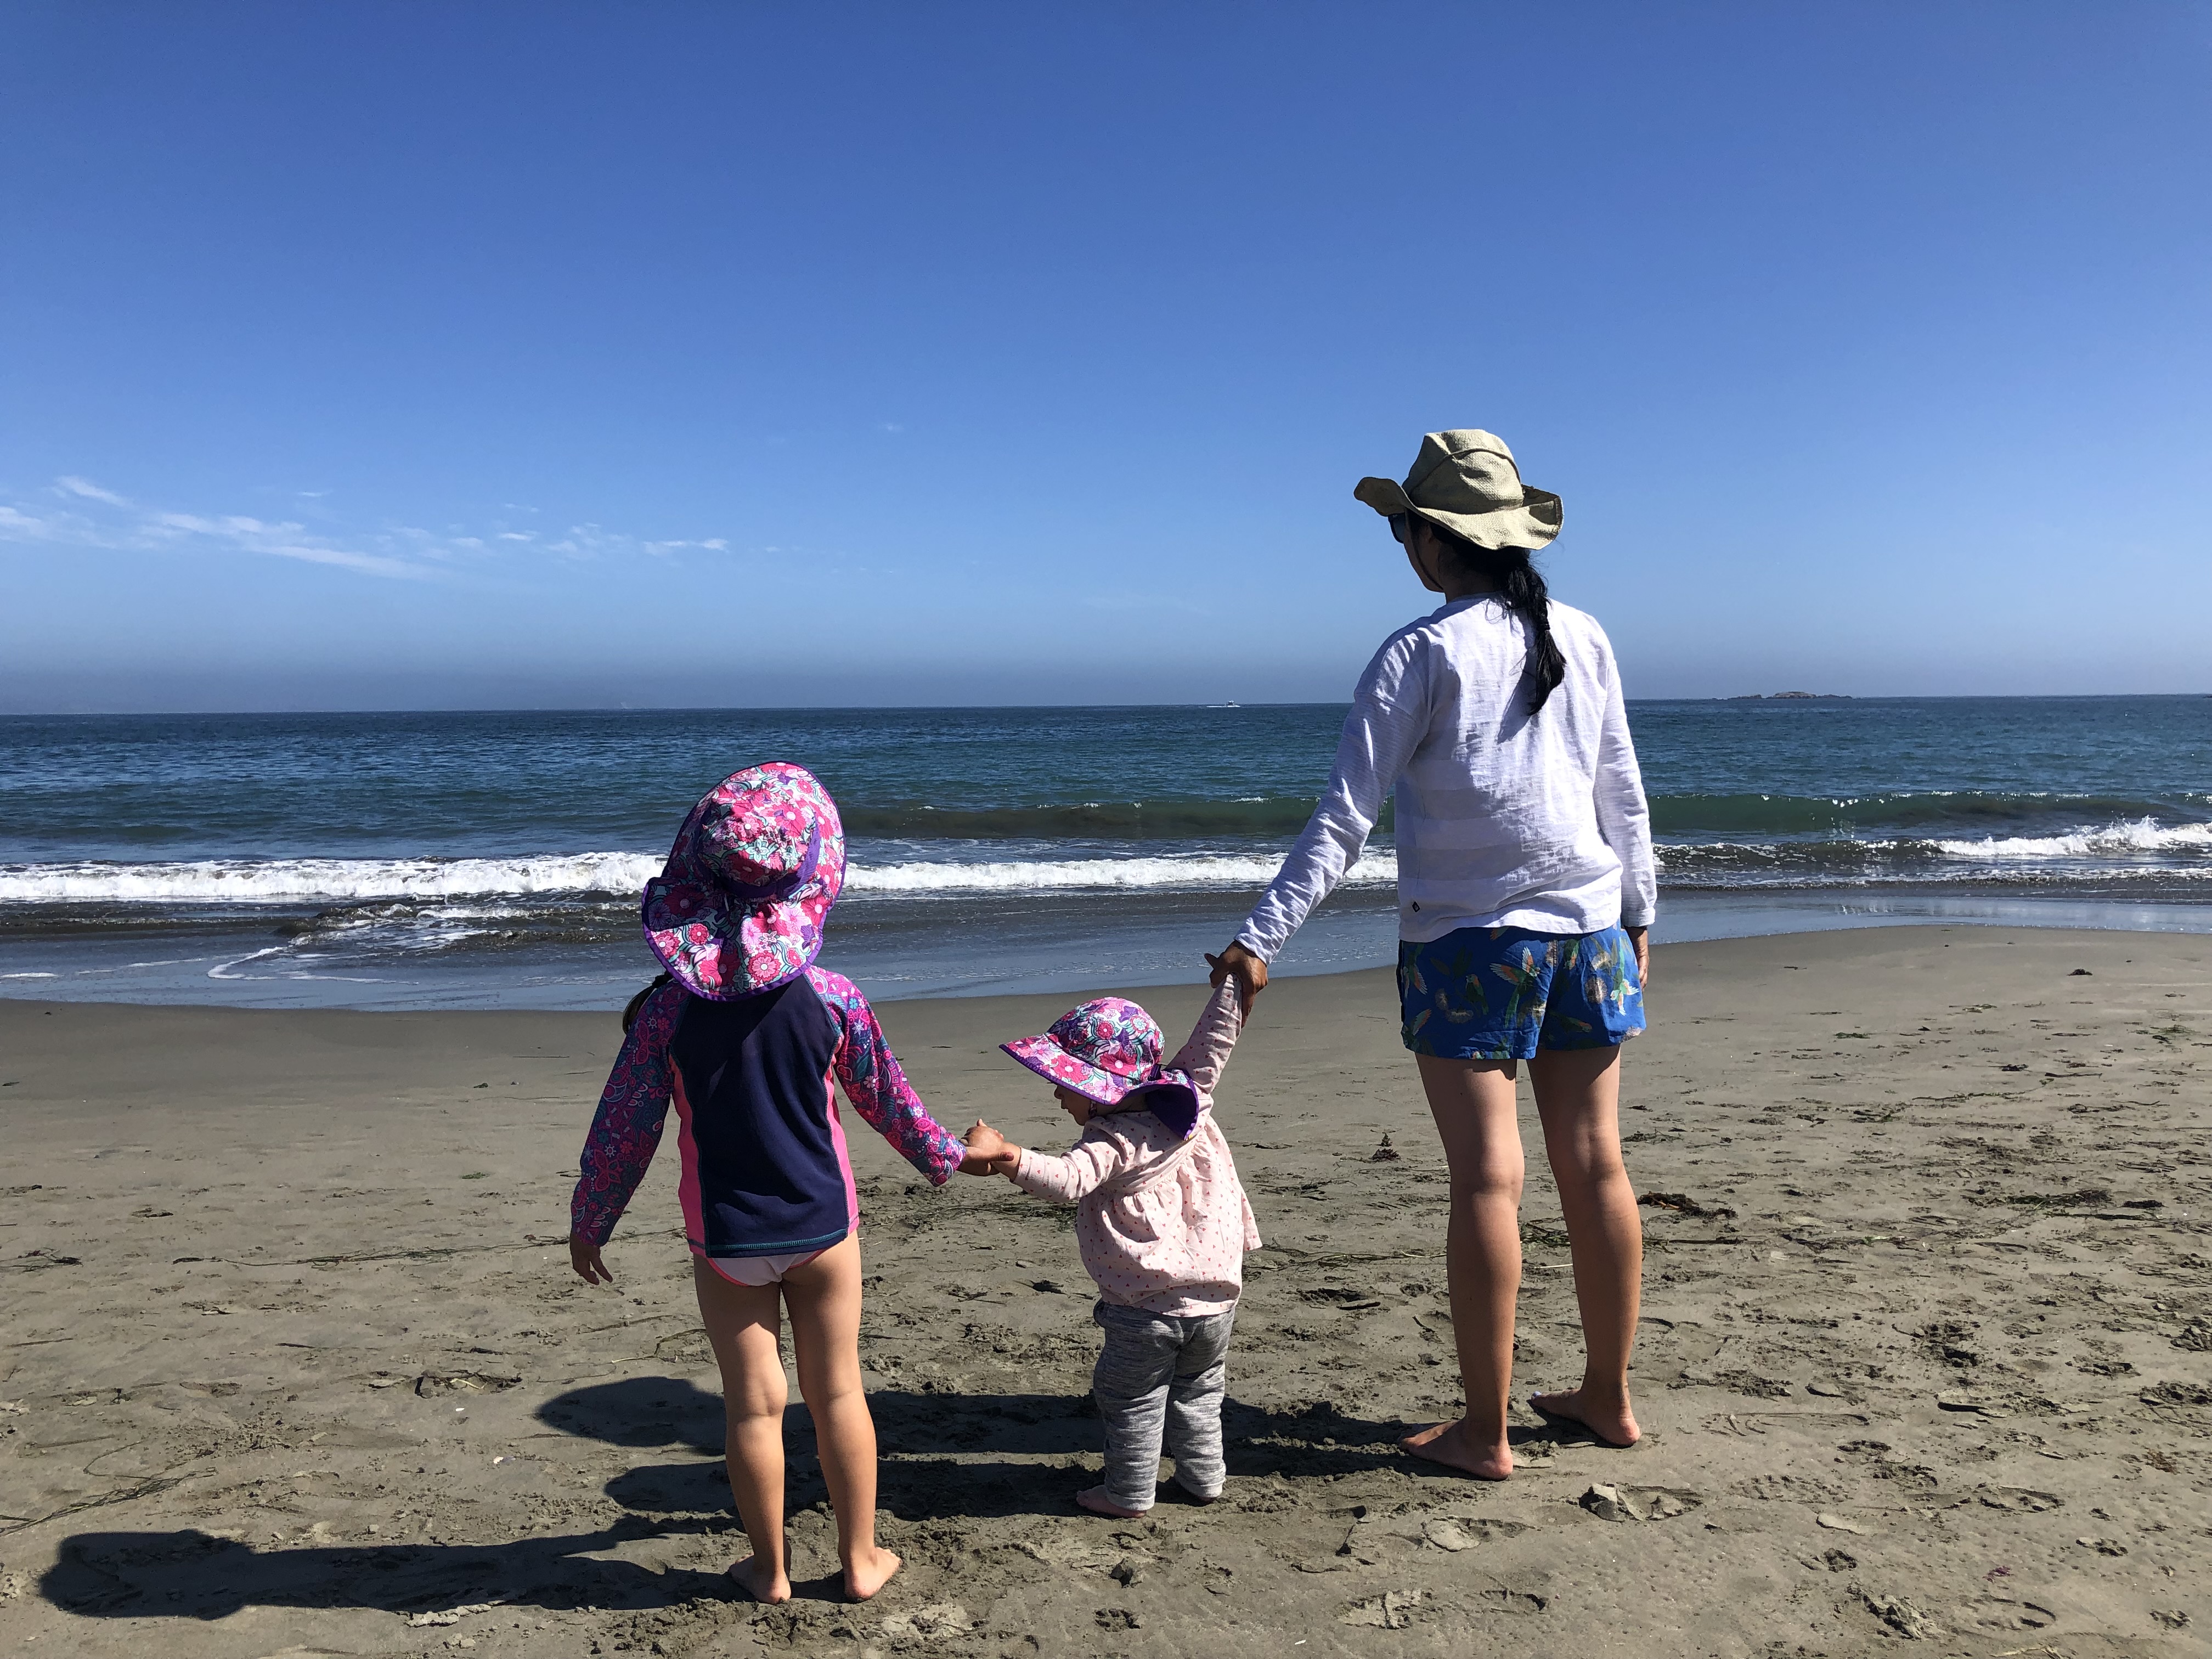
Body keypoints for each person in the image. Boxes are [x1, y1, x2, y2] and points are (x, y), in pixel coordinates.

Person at [1209, 430, 1656, 1481]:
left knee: (1486, 1183)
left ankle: (1486, 1430)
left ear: (1427, 539)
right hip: (1587, 928)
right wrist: (1639, 916)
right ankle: (1607, 1395)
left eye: (1402, 527)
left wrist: (1259, 937)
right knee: (1596, 1164)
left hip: (1464, 940)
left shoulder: (1418, 651)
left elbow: (1343, 821)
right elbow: (1620, 790)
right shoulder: (1583, 633)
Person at [568, 763, 986, 1603]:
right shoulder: (834, 999)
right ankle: (862, 1560)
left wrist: (593, 1218)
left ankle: (769, 1570)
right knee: (838, 1392)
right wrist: (954, 1154)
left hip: (725, 1238)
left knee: (754, 1408)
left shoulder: (664, 1014)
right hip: (825, 1228)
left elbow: (625, 1128)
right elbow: (891, 1107)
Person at [962, 977, 1259, 1517]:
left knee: (1132, 1399)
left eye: (1064, 1082)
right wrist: (1235, 987)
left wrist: (1006, 1155)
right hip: (1218, 1295)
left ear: (1104, 1087)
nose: (1057, 1093)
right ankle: (1205, 1478)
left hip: (1146, 1306)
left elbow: (1067, 1180)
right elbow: (1217, 1038)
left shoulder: (1112, 1139)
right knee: (1199, 1389)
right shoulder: (1191, 1091)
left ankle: (1128, 1492)